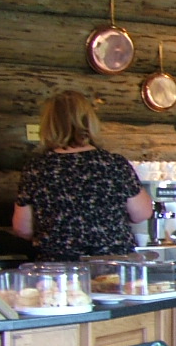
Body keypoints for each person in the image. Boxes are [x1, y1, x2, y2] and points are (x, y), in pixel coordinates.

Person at [12, 91, 152, 261]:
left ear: (49, 125)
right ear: (89, 122)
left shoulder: (37, 168)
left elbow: (22, 228)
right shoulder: (113, 164)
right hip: (112, 265)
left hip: (59, 270)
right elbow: (142, 213)